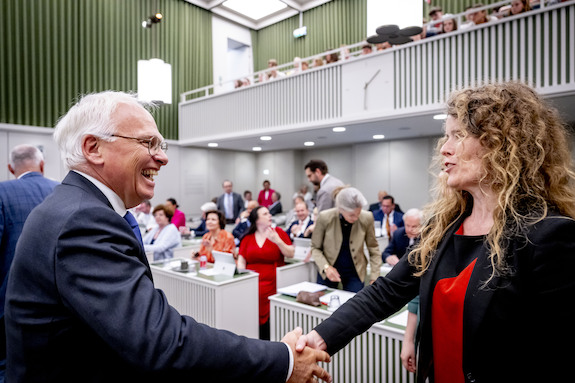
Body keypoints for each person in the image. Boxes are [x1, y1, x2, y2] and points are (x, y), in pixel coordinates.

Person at [4, 91, 331, 382]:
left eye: (161, 144)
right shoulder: (83, 219)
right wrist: (282, 360)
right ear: (94, 148)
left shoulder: (75, 208)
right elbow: (160, 342)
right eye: (148, 143)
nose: (163, 157)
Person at [295, 82, 575, 382]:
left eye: (458, 135)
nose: (445, 147)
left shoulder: (549, 235)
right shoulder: (443, 227)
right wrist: (319, 337)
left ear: (501, 144)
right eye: (446, 135)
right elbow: (387, 292)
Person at [0, 144, 58, 380]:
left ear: (10, 168)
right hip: (61, 302)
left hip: (9, 303)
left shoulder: (3, 193)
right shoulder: (62, 190)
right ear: (42, 165)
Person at [238, 206, 295, 340]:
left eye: (269, 213)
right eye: (265, 213)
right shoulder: (248, 237)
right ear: (256, 219)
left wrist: (278, 241)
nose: (270, 215)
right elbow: (241, 260)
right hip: (251, 284)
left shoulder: (278, 232)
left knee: (270, 323)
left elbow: (291, 253)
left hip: (273, 284)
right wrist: (243, 276)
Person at [311, 187, 381, 293]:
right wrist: (326, 267)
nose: (356, 218)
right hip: (329, 269)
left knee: (355, 306)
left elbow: (373, 248)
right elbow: (315, 248)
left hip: (355, 271)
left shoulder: (367, 217)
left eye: (358, 213)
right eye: (352, 215)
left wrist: (374, 277)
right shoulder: (325, 217)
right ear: (340, 209)